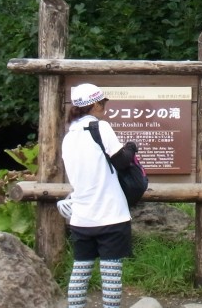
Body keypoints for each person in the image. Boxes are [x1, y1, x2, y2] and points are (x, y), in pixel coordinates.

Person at [61, 83, 138, 308]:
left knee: (80, 271)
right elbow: (122, 160)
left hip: (81, 216)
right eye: (103, 103)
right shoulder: (100, 128)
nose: (104, 107)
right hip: (110, 213)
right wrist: (132, 148)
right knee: (111, 272)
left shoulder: (69, 137)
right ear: (94, 104)